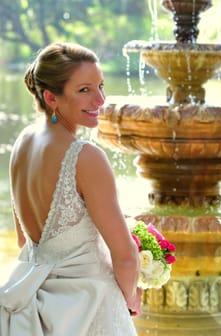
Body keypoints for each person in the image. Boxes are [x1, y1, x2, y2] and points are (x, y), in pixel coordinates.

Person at [0, 42, 141, 335]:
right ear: (51, 97)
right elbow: (125, 255)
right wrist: (128, 301)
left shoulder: (22, 142)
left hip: (28, 300)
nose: (101, 100)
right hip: (89, 309)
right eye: (85, 90)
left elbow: (25, 241)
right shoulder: (85, 156)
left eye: (101, 86)